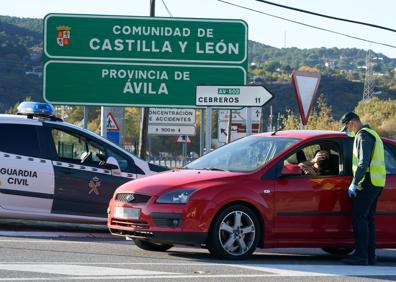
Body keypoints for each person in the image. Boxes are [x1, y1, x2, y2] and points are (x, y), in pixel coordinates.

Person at [340, 112, 386, 265]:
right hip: (377, 182)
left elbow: (362, 163)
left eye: (347, 127)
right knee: (368, 219)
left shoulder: (363, 136)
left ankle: (361, 255)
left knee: (359, 217)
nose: (348, 130)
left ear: (353, 122)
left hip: (367, 182)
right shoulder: (373, 133)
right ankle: (370, 255)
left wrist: (354, 182)